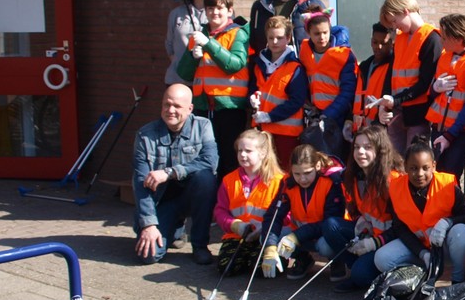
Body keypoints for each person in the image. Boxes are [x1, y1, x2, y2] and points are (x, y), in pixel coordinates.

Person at [132, 85, 219, 265]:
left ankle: (200, 245)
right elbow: (141, 184)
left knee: (206, 179)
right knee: (149, 256)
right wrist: (149, 225)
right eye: (166, 104)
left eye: (177, 106)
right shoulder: (145, 135)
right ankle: (175, 228)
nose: (170, 110)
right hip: (161, 200)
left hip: (190, 196)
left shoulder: (202, 126)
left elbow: (210, 161)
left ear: (190, 108)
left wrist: (170, 173)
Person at [176, 0, 250, 180]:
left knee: (229, 158)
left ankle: (227, 197)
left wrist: (209, 44)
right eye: (210, 8)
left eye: (219, 8)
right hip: (202, 106)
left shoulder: (238, 33)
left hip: (229, 107)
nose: (214, 12)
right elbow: (183, 73)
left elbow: (234, 64)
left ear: (229, 11)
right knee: (204, 157)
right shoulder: (199, 35)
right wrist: (193, 56)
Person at [374, 137, 465, 282]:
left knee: (461, 232)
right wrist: (422, 253)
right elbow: (400, 228)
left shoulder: (447, 185)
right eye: (413, 168)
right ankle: (420, 275)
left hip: (445, 246)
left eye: (425, 168)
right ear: (405, 167)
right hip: (418, 247)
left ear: (434, 166)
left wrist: (447, 222)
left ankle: (458, 280)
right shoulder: (396, 188)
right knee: (382, 258)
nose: (420, 174)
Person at [336, 126, 402, 293]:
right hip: (369, 233)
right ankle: (358, 267)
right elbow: (357, 209)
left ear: (380, 150)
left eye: (367, 147)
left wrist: (375, 242)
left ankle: (363, 273)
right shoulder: (354, 176)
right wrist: (360, 222)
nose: (360, 152)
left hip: (390, 240)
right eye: (357, 147)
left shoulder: (393, 180)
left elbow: (403, 226)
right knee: (331, 226)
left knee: (361, 275)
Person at [213, 129, 286, 278]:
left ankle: (263, 256)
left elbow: (288, 214)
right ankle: (247, 256)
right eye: (240, 151)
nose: (242, 155)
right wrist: (234, 225)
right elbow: (220, 211)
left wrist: (265, 228)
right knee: (226, 268)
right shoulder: (229, 180)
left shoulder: (280, 180)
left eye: (248, 151)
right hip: (237, 234)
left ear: (262, 153)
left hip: (266, 236)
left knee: (261, 271)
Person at [275, 144, 351, 281]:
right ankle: (303, 258)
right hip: (300, 232)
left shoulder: (330, 183)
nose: (302, 179)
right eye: (297, 174)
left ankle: (337, 260)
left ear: (317, 166)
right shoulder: (288, 183)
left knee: (326, 246)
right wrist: (269, 247)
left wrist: (296, 237)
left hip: (323, 234)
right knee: (273, 235)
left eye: (307, 173)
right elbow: (274, 215)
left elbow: (330, 222)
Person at [426, 13, 465, 180]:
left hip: (460, 133)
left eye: (445, 37)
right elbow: (433, 93)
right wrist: (435, 88)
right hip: (439, 127)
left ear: (459, 39)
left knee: (450, 178)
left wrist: (450, 135)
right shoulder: (445, 56)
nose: (441, 41)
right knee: (438, 176)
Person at [378, 0, 443, 150]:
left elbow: (425, 83)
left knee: (413, 159)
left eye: (394, 20)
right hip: (397, 113)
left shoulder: (432, 38)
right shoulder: (401, 38)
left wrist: (395, 100)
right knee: (394, 160)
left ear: (405, 11)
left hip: (417, 115)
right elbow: (391, 75)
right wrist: (384, 104)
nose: (395, 26)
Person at [249, 15, 308, 170]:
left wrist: (270, 116)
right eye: (271, 38)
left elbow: (296, 101)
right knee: (264, 171)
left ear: (288, 38)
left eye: (280, 38)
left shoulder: (295, 67)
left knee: (284, 172)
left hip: (286, 133)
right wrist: (252, 98)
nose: (275, 42)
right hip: (263, 129)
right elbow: (254, 88)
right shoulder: (259, 64)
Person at [298, 5, 356, 158]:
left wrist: (329, 114)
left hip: (337, 115)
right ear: (308, 33)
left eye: (325, 32)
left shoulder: (343, 54)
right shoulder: (304, 51)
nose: (322, 37)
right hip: (314, 115)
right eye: (316, 34)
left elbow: (348, 90)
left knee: (335, 159)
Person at [354, 23, 395, 133]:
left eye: (383, 43)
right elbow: (357, 97)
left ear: (391, 44)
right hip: (362, 127)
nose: (378, 47)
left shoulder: (394, 66)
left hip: (381, 128)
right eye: (375, 42)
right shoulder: (364, 66)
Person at [164, 0, 208, 85]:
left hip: (205, 82)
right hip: (178, 80)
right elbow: (169, 45)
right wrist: (183, 66)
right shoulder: (176, 14)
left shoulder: (216, 14)